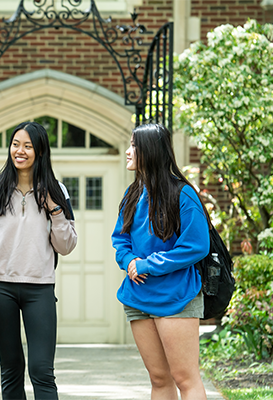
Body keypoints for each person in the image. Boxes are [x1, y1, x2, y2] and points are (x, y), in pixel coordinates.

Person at [0, 121, 78, 400]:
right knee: (11, 368)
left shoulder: (59, 192)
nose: (20, 151)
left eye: (28, 146)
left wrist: (54, 209)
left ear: (40, 151)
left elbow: (66, 246)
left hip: (40, 289)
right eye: (16, 144)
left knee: (42, 370)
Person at [112, 123, 210, 400]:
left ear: (150, 151)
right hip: (139, 297)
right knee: (158, 379)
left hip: (176, 297)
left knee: (185, 379)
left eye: (134, 146)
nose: (128, 152)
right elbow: (120, 239)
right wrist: (129, 259)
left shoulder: (182, 194)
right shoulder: (132, 195)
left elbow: (196, 246)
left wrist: (146, 265)